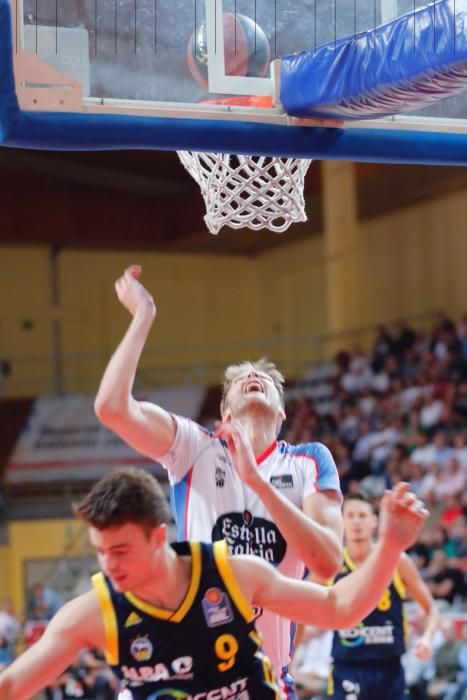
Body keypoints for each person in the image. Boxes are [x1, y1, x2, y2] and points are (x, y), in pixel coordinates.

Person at [94, 264, 344, 689]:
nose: (253, 376)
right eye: (242, 379)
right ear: (226, 414)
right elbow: (112, 408)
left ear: (281, 413)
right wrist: (143, 317)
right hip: (191, 671)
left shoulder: (308, 460)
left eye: (263, 378)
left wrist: (259, 481)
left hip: (264, 676)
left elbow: (327, 561)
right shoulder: (196, 447)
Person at [0, 456, 427, 700]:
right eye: (100, 552)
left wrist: (389, 546)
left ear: (158, 537)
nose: (108, 565)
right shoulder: (94, 612)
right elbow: (14, 684)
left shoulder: (230, 574)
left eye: (121, 551)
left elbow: (338, 608)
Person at [325, 492, 440, 700]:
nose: (356, 521)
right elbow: (298, 611)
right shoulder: (331, 563)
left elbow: (431, 608)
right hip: (347, 668)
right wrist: (289, 658)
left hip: (390, 668)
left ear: (374, 521)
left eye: (362, 515)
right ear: (341, 521)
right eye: (350, 515)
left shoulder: (397, 560)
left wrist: (427, 638)